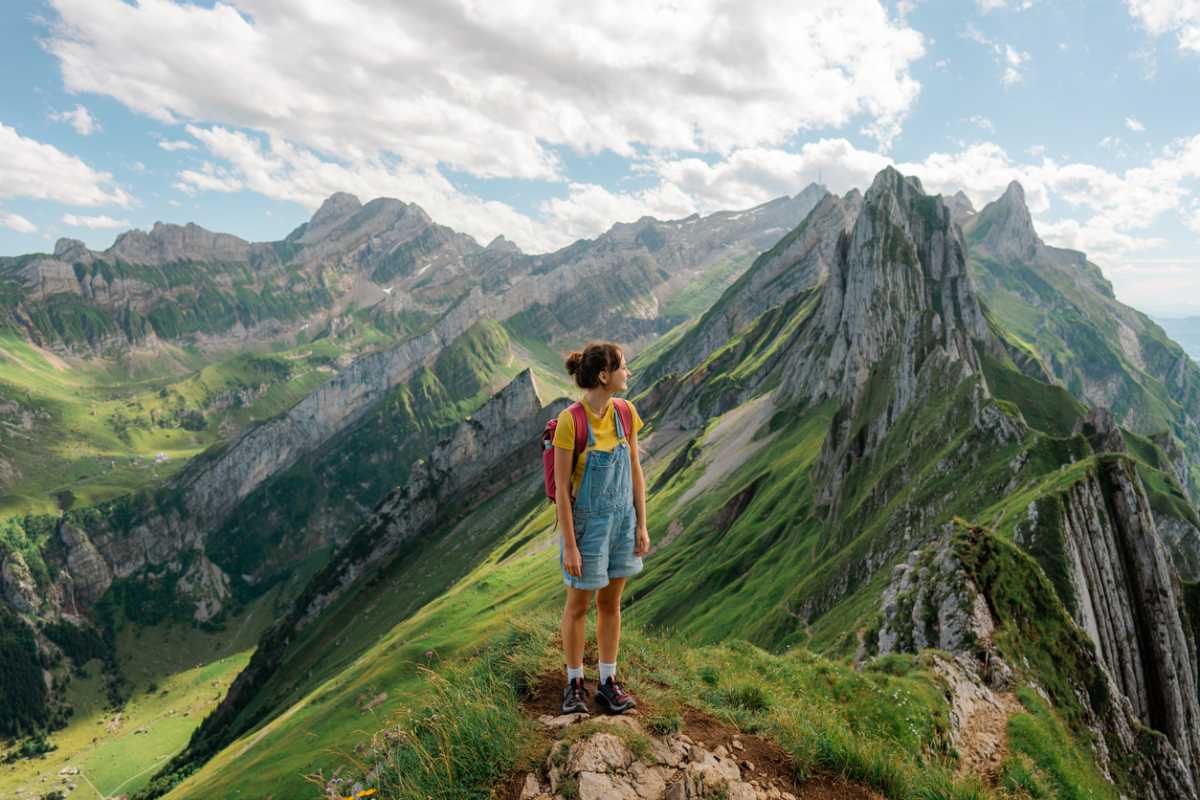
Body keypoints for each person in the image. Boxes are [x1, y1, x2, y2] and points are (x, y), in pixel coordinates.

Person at [552, 341, 650, 715]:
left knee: (611, 603)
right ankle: (575, 682)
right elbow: (562, 488)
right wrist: (571, 545)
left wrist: (642, 524)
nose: (628, 372)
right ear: (604, 376)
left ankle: (608, 682)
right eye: (623, 367)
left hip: (623, 521)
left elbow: (636, 472)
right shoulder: (570, 422)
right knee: (578, 604)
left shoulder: (626, 413)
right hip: (588, 527)